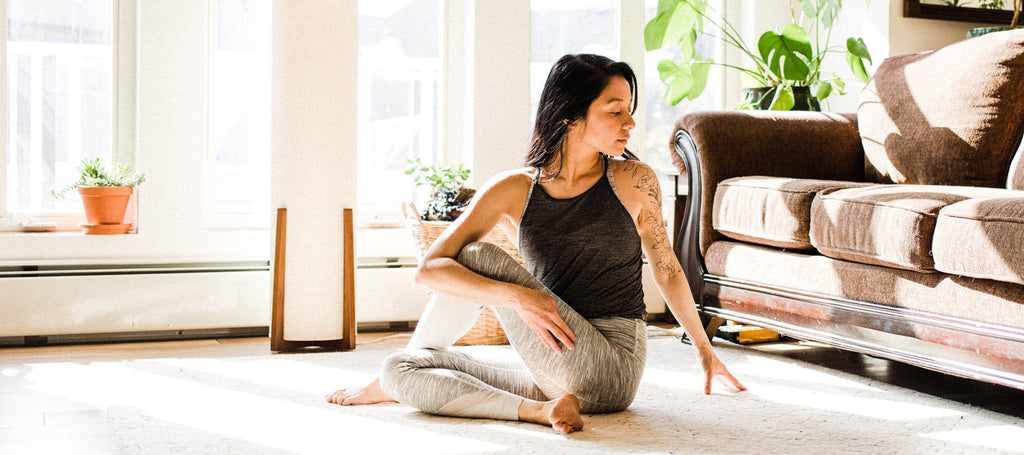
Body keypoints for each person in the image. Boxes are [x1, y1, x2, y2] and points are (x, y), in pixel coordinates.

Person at [327, 54, 745, 433]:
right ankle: (538, 411)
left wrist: (705, 353)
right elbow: (429, 270)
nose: (630, 124)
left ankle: (539, 404)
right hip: (556, 363)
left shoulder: (635, 180)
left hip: (612, 366)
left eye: (629, 112)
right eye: (615, 111)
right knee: (400, 369)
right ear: (570, 117)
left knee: (474, 255)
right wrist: (519, 298)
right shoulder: (514, 189)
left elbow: (667, 269)